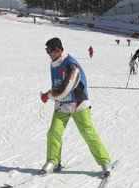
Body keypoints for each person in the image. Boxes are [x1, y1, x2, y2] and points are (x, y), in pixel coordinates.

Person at [39, 38, 112, 176]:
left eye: (50, 51)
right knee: (53, 133)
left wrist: (49, 95)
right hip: (62, 106)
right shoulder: (54, 64)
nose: (48, 54)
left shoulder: (72, 65)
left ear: (59, 50)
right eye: (47, 51)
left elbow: (65, 89)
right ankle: (53, 161)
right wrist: (49, 93)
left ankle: (105, 162)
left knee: (88, 133)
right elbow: (59, 86)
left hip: (78, 104)